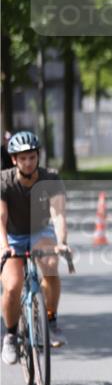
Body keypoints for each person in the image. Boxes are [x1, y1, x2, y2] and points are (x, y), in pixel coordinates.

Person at [1, 131, 72, 363]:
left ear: (38, 156)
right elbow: (1, 218)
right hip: (12, 236)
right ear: (14, 160)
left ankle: (50, 320)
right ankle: (11, 336)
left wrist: (61, 242)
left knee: (51, 265)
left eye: (31, 157)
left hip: (39, 231)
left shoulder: (50, 178)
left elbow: (58, 213)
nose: (28, 162)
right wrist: (4, 247)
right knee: (12, 286)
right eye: (22, 158)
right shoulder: (4, 181)